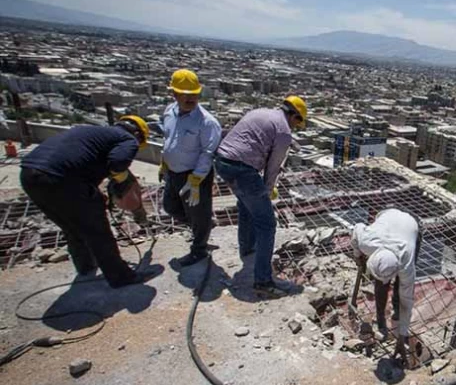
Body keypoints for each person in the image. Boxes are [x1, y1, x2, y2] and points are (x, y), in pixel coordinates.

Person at [19, 116, 153, 288]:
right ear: (138, 135)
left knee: (71, 226)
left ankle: (85, 267)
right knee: (98, 231)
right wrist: (121, 178)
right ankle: (121, 277)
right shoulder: (127, 139)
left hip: (30, 176)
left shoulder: (91, 132)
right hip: (62, 180)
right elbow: (118, 163)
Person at [213, 96, 307, 294]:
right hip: (243, 169)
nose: (296, 127)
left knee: (247, 206)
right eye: (298, 122)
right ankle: (263, 281)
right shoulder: (283, 131)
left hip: (222, 161)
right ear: (294, 116)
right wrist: (267, 189)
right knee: (267, 224)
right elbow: (273, 167)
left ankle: (247, 248)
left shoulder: (260, 112)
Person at [158, 69, 221, 267]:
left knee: (199, 212)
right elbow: (168, 139)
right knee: (170, 206)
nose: (190, 98)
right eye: (185, 94)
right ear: (174, 94)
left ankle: (199, 249)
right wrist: (164, 162)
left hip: (194, 175)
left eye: (194, 94)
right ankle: (202, 228)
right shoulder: (169, 111)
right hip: (173, 172)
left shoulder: (207, 122)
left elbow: (207, 153)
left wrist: (196, 179)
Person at [350, 208, 421, 363]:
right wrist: (357, 256)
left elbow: (407, 302)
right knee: (380, 286)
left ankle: (396, 319)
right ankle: (381, 319)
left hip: (410, 226)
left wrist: (402, 337)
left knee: (400, 291)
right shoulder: (366, 242)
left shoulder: (406, 262)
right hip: (387, 215)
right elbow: (356, 230)